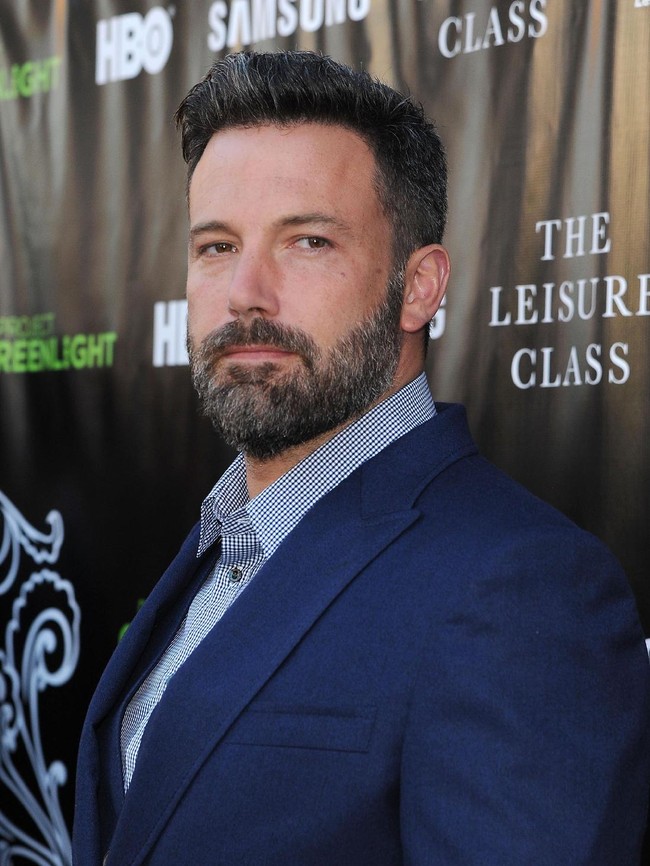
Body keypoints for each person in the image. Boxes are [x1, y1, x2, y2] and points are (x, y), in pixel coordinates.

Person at [73, 51, 650, 865]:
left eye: (307, 240)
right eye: (215, 246)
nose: (246, 292)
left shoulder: (523, 590)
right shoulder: (227, 534)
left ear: (418, 287)